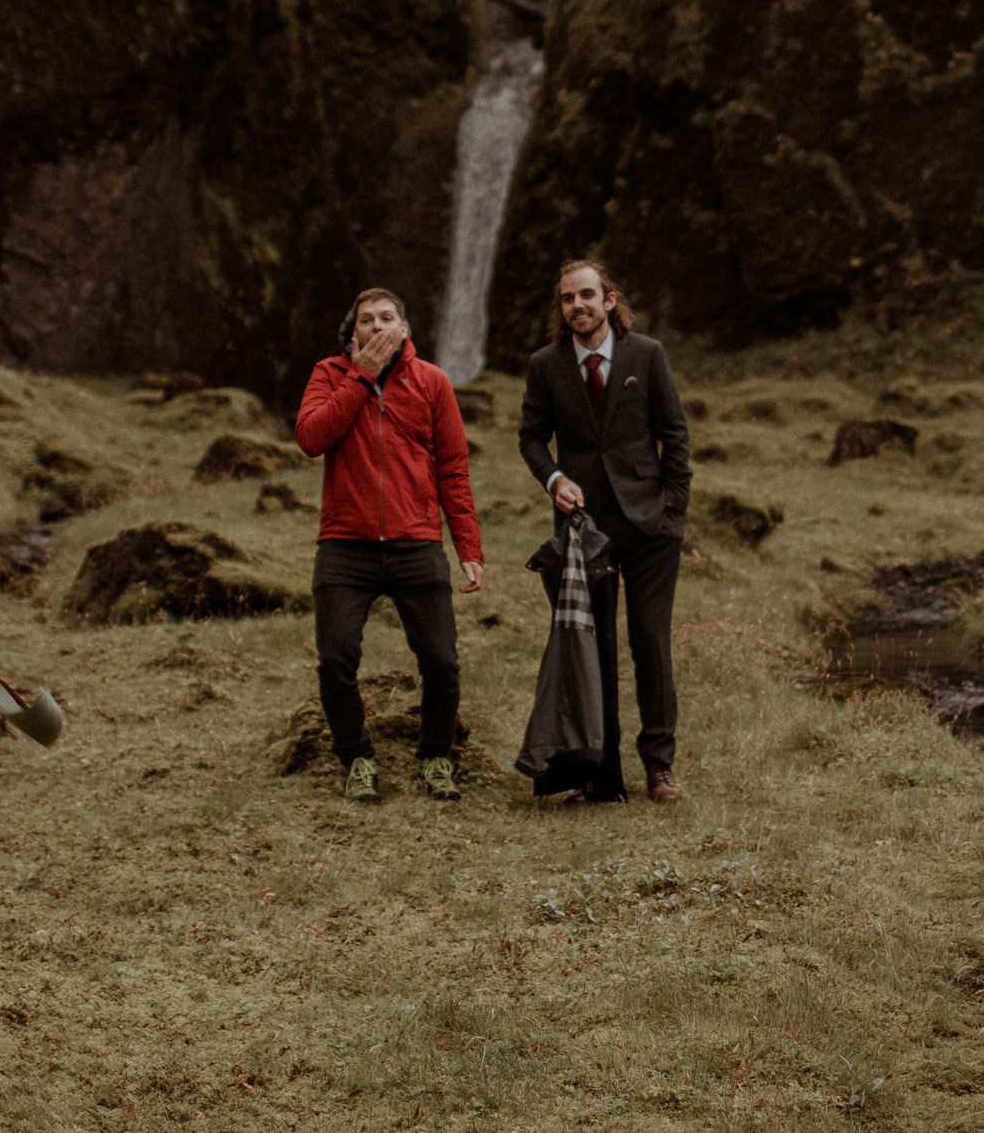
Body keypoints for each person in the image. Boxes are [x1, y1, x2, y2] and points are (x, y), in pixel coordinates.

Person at [294, 289, 484, 802]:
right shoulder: (329, 374)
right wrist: (360, 377)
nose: (377, 327)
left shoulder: (433, 382)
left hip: (416, 543)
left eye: (387, 318)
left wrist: (467, 545)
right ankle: (356, 759)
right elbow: (311, 438)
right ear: (351, 333)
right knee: (335, 659)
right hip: (344, 546)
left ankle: (437, 756)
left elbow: (453, 468)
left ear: (404, 328)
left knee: (441, 661)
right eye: (366, 321)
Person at [514, 260, 693, 801]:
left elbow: (675, 436)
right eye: (568, 299)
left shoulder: (647, 354)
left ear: (609, 300)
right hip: (583, 527)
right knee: (596, 649)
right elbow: (530, 438)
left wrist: (673, 514)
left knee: (649, 642)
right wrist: (553, 478)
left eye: (588, 295)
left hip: (649, 526)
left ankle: (659, 768)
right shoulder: (545, 365)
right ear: (561, 308)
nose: (578, 306)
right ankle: (602, 775)